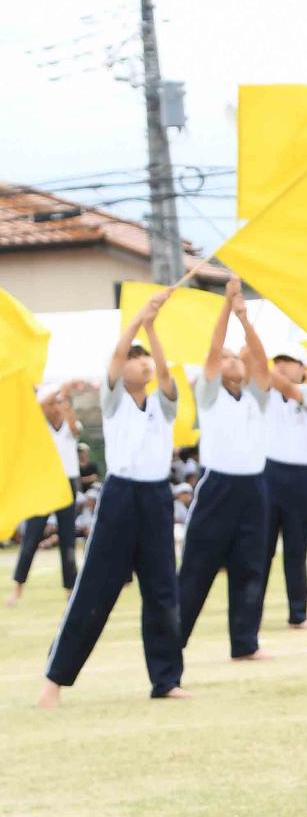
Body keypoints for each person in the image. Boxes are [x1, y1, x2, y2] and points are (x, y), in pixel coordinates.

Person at [38, 293, 184, 707]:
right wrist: (139, 317)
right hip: (121, 496)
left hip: (156, 496)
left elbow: (166, 371)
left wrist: (153, 328)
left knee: (162, 590)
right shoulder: (114, 399)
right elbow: (117, 355)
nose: (143, 363)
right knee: (95, 589)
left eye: (146, 359)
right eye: (135, 359)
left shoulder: (163, 404)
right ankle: (55, 680)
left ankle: (166, 681)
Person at [178, 279, 272, 663]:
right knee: (197, 566)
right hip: (218, 487)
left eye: (238, 357)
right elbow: (214, 350)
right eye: (228, 358)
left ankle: (245, 643)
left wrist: (245, 317)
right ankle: (172, 641)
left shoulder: (256, 396)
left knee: (250, 565)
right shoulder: (210, 394)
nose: (233, 360)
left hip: (253, 488)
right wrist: (225, 306)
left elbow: (261, 361)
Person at [7, 380, 89, 605]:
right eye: (51, 403)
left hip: (67, 484)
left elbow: (74, 427)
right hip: (43, 484)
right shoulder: (38, 428)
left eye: (57, 403)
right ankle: (17, 588)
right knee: (31, 537)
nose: (54, 407)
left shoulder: (71, 427)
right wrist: (47, 393)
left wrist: (64, 399)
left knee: (67, 539)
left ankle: (70, 590)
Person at [260, 352, 307, 632]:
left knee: (296, 549)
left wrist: (259, 363)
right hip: (269, 472)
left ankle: (298, 614)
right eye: (277, 362)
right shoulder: (267, 391)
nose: (281, 367)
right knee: (261, 550)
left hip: (301, 476)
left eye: (288, 362)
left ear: (303, 369)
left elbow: (288, 388)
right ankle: (251, 614)